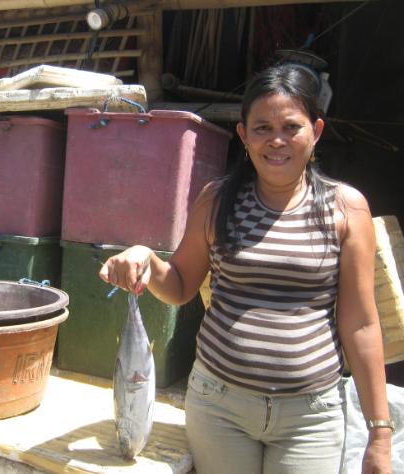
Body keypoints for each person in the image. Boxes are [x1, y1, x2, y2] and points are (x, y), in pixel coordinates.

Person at [98, 64, 393, 474]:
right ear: (243, 135)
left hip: (310, 418)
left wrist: (380, 433)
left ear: (316, 131)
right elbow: (180, 286)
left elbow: (361, 324)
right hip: (219, 407)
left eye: (291, 127)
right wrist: (146, 258)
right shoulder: (216, 200)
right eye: (262, 128)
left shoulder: (346, 209)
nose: (277, 140)